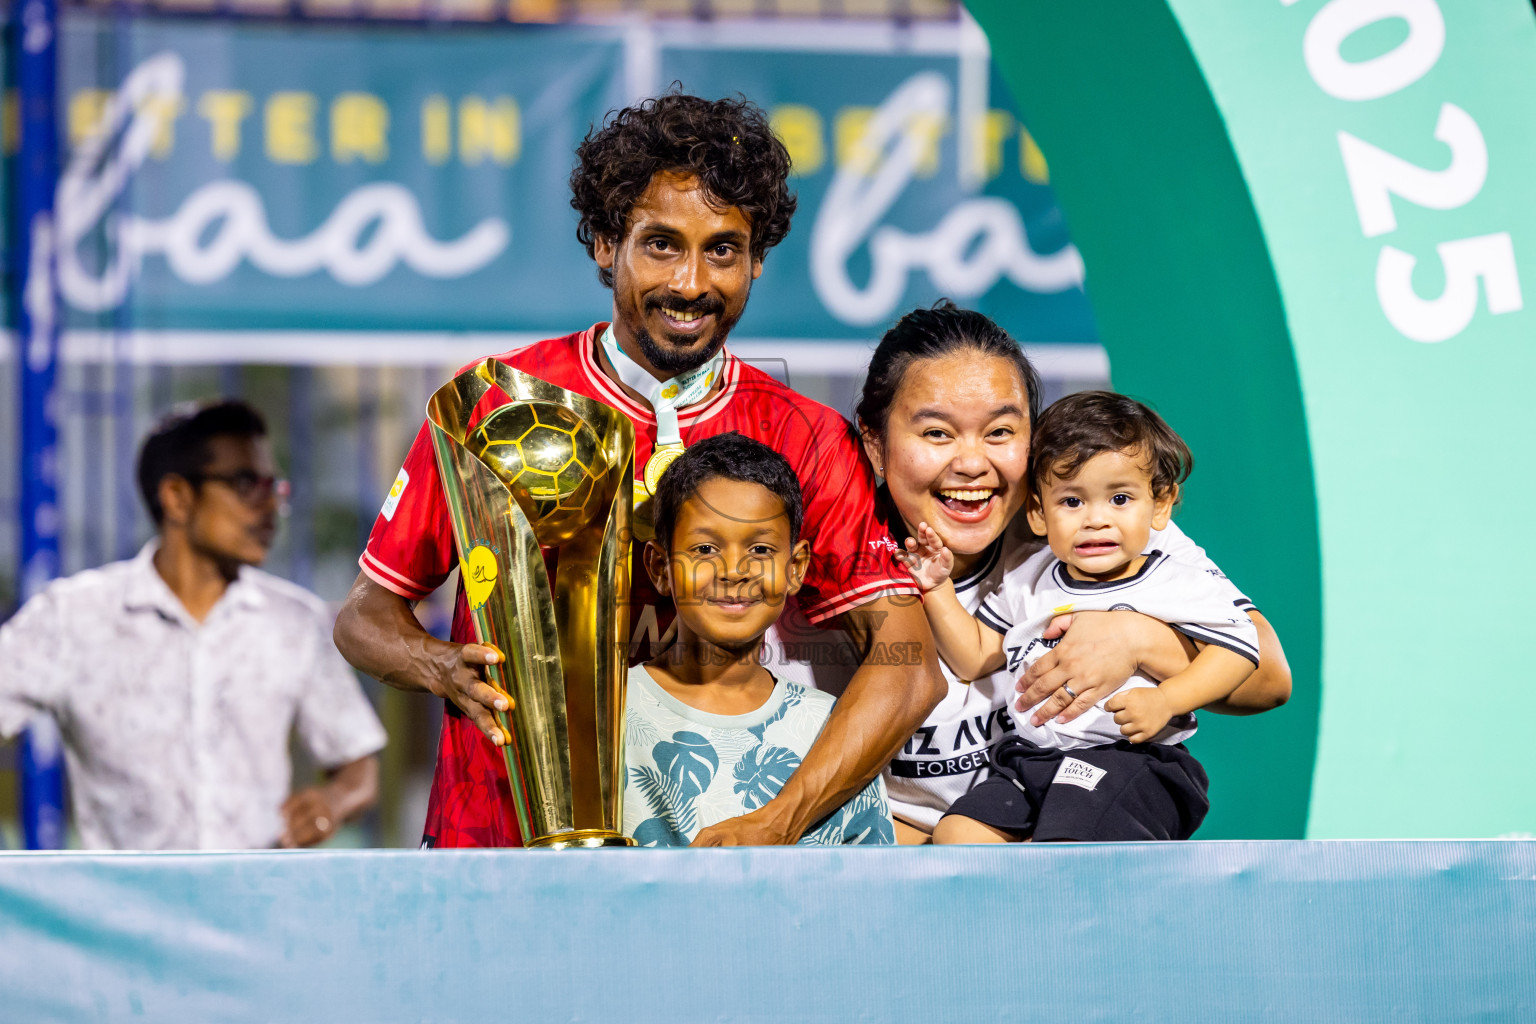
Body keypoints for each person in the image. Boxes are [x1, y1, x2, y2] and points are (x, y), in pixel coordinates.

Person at [333, 93, 944, 848]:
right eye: (660, 244)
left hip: (707, 862)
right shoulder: (494, 404)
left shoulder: (806, 435)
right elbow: (364, 616)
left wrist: (775, 822)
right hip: (489, 841)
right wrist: (438, 667)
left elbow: (908, 666)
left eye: (722, 250)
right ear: (604, 244)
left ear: (756, 260)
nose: (690, 283)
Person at [854, 302, 1292, 843]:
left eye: (999, 432)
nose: (971, 463)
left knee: (1070, 857)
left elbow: (1269, 678)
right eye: (938, 434)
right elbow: (973, 653)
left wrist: (1138, 639)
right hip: (934, 840)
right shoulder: (835, 545)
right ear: (875, 441)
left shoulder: (1100, 528)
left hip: (1089, 793)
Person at [0, 400, 385, 850]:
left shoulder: (293, 622)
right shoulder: (73, 617)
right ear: (177, 497)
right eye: (245, 483)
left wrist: (331, 802)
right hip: (121, 914)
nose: (269, 506)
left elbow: (358, 764)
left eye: (272, 486)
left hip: (253, 907)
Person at [900, 391, 1258, 842]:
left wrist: (1169, 700)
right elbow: (973, 656)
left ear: (1161, 503)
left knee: (1070, 838)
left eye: (1120, 499)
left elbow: (1239, 650)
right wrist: (936, 589)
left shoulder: (1174, 580)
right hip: (1031, 759)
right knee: (958, 834)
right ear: (1036, 511)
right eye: (1072, 502)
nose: (1096, 520)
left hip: (1131, 759)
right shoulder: (1030, 576)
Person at [625, 434, 894, 846]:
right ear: (660, 567)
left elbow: (868, 890)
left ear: (795, 567)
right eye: (705, 548)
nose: (734, 570)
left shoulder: (832, 730)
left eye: (762, 549)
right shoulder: (603, 716)